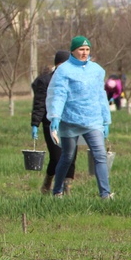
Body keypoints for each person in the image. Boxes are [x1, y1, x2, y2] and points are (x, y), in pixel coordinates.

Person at [46, 36, 113, 199]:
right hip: (70, 120)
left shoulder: (96, 70)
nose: (84, 53)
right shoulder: (64, 70)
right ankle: (57, 191)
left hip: (93, 120)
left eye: (87, 49)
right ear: (73, 51)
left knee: (100, 154)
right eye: (81, 49)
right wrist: (55, 116)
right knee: (67, 156)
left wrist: (106, 119)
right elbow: (59, 94)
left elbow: (100, 95)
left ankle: (105, 194)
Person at [30, 50, 75, 194]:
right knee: (57, 156)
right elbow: (39, 105)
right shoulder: (45, 81)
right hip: (51, 124)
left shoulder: (74, 80)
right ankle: (49, 180)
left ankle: (67, 188)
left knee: (71, 155)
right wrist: (35, 124)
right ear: (58, 64)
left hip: (71, 123)